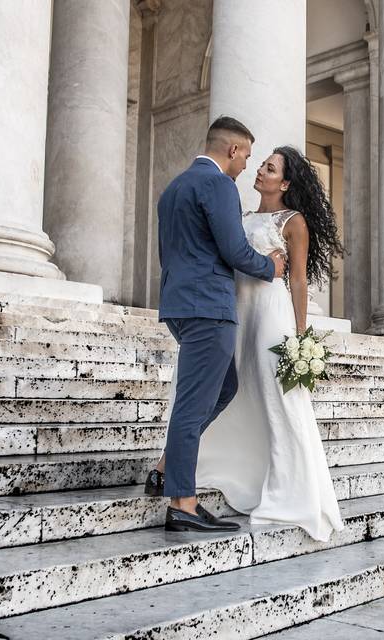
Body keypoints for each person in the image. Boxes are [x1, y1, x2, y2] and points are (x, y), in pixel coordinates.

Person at [148, 145, 345, 542]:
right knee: (225, 392)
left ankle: (291, 489)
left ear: (285, 183)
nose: (260, 171)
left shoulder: (294, 222)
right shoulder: (238, 213)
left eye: (270, 168)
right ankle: (178, 464)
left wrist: (301, 335)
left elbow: (300, 281)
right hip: (233, 310)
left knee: (276, 398)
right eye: (260, 164)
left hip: (270, 316)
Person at [152, 116, 286, 533]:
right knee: (193, 405)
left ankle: (170, 469)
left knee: (224, 387)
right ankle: (183, 504)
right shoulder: (218, 185)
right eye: (246, 155)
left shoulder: (174, 187)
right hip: (208, 307)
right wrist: (271, 267)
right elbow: (233, 250)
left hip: (179, 303)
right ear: (232, 150)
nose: (246, 165)